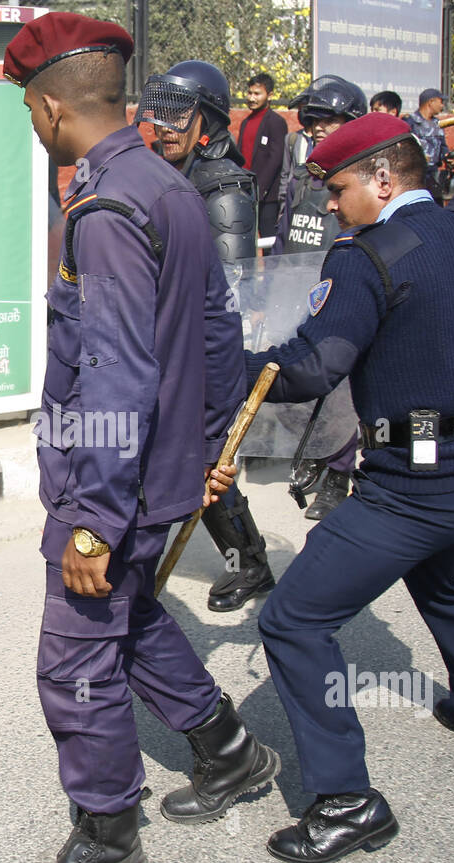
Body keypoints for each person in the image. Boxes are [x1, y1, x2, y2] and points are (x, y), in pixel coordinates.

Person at [236, 89, 454, 863]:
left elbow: (310, 369)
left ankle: (348, 803)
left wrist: (224, 364)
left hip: (414, 485)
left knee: (292, 622)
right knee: (440, 584)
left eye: (337, 190)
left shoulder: (366, 255)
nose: (332, 207)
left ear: (378, 178)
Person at [4, 12, 279, 863]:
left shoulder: (110, 206)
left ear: (50, 108)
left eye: (27, 108)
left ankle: (108, 830)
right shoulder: (169, 188)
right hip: (154, 469)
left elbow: (116, 374)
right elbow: (215, 339)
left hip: (110, 483)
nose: (32, 122)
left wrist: (91, 520)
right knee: (132, 616)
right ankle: (231, 752)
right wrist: (204, 454)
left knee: (76, 658)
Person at [138, 59, 273, 612]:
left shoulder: (221, 190)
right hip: (165, 343)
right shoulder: (173, 173)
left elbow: (231, 298)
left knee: (205, 462)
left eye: (178, 116)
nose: (163, 128)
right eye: (159, 116)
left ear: (209, 121)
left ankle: (251, 563)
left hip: (202, 354)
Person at [272, 75, 367, 521]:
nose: (320, 127)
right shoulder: (303, 172)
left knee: (337, 394)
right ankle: (316, 449)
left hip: (341, 294)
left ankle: (338, 476)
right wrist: (268, 288)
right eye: (314, 119)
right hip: (295, 293)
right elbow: (285, 232)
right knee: (290, 388)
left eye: (330, 119)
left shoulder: (363, 178)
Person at [237, 72, 288, 239]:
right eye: (250, 93)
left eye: (257, 93)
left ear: (270, 95)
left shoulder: (276, 122)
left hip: (267, 198)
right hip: (245, 192)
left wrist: (260, 189)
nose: (252, 98)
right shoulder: (245, 122)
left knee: (268, 242)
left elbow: (275, 159)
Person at [406, 88, 447, 194]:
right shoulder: (411, 122)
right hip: (416, 172)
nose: (442, 106)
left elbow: (443, 145)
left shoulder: (438, 123)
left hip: (433, 173)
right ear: (431, 102)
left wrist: (447, 155)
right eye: (441, 102)